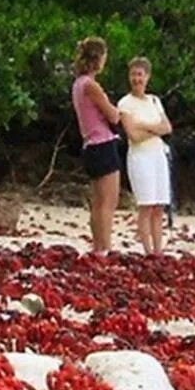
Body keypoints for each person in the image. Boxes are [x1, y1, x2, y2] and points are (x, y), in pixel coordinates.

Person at [116, 56, 174, 254]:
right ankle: (148, 251)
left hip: (158, 155)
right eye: (133, 74)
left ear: (147, 77)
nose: (136, 79)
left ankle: (159, 250)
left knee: (159, 206)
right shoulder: (125, 103)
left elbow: (167, 127)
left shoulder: (154, 100)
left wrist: (145, 126)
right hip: (140, 157)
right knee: (146, 205)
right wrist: (153, 129)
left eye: (140, 74)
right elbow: (133, 135)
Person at [70, 36, 123, 253]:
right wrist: (119, 111)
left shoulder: (77, 84)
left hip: (89, 145)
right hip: (103, 144)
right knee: (108, 201)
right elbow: (113, 115)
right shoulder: (91, 86)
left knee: (98, 201)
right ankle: (105, 247)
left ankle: (97, 247)